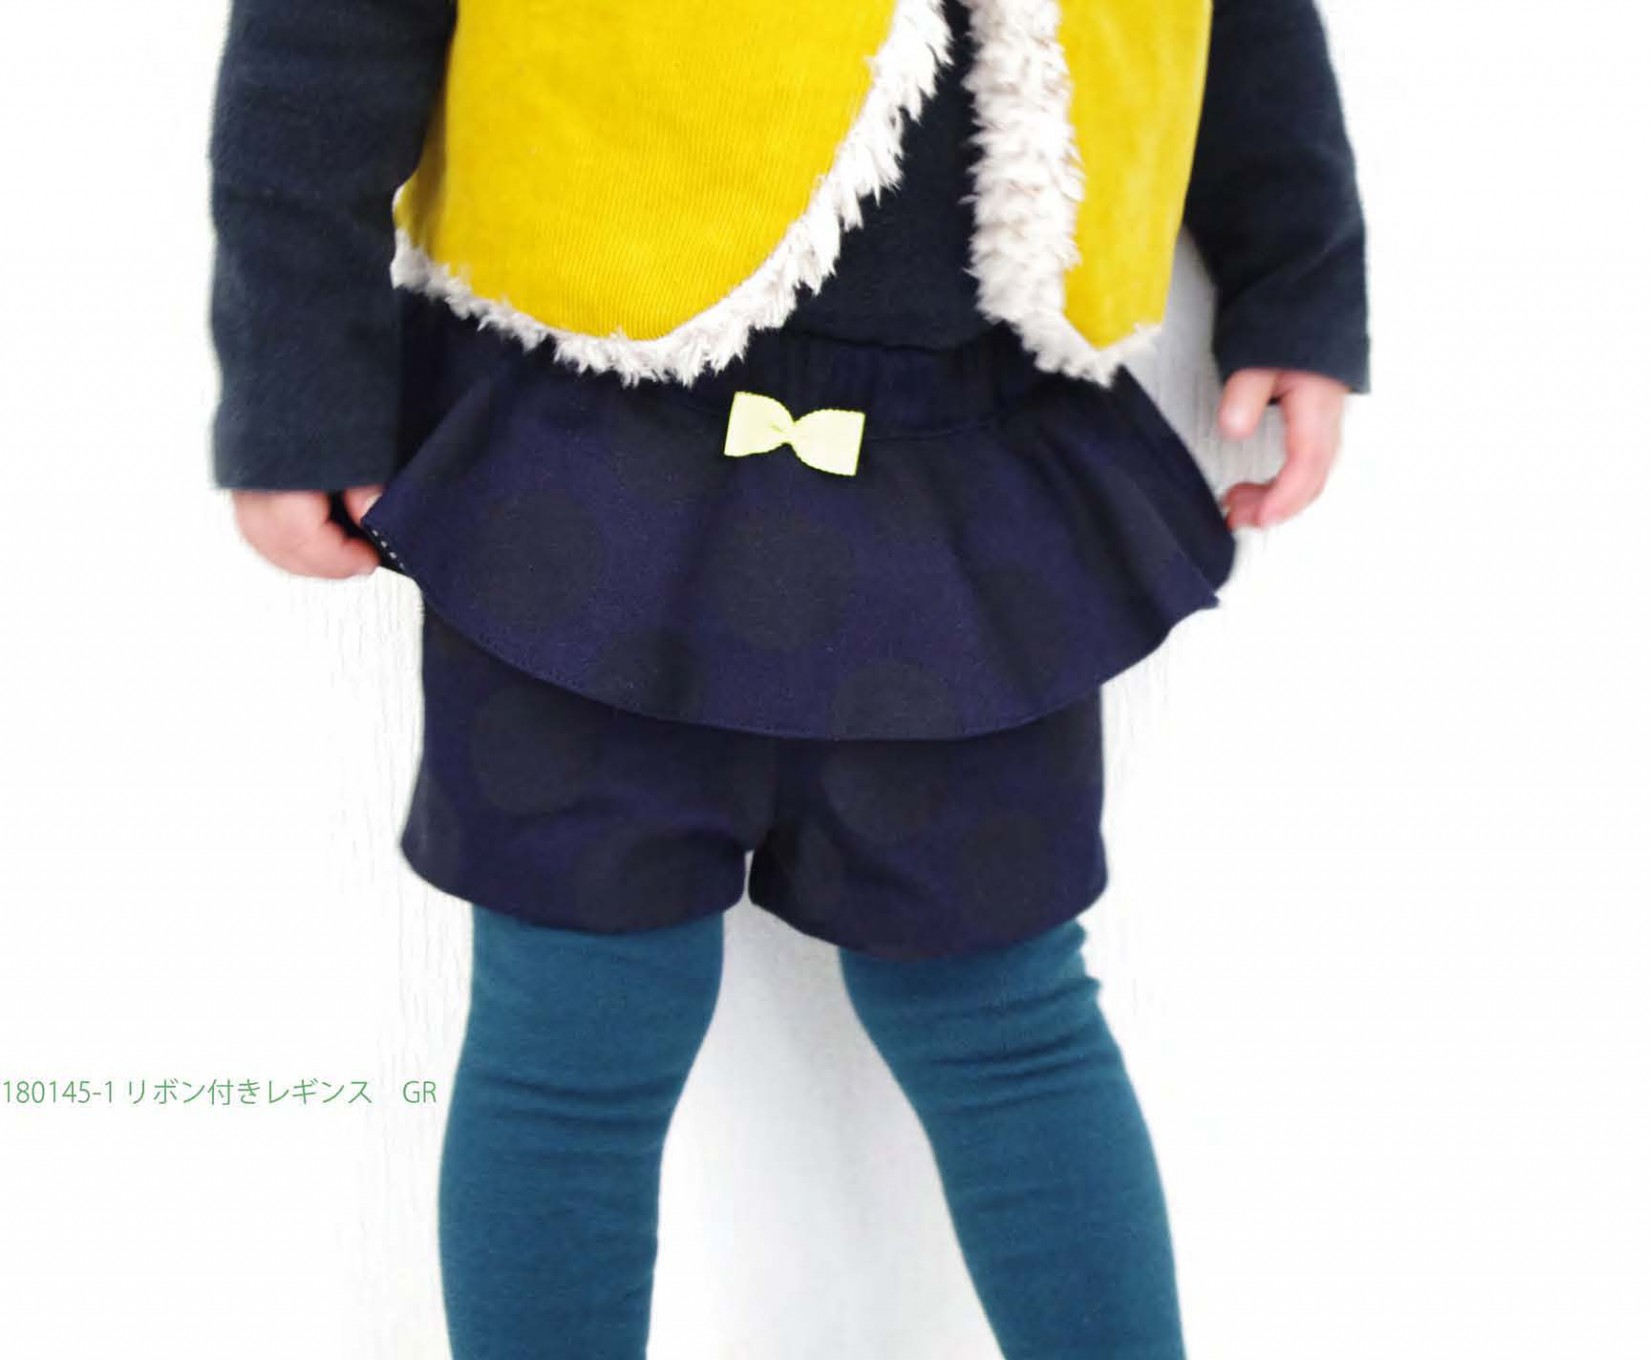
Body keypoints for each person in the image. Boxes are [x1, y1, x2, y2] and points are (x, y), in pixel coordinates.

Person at [206, 0, 1368, 1354]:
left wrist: (1298, 276)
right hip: (584, 456)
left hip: (981, 477)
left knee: (1004, 1020)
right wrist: (296, 388)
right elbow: (325, 38)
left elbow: (1246, 24)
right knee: (578, 1028)